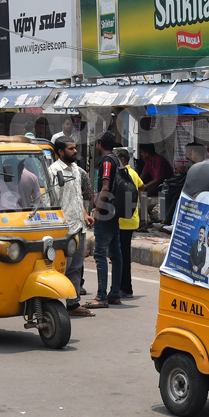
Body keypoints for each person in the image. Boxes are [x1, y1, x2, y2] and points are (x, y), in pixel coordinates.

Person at [48, 136, 94, 317]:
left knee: (76, 266)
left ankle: (73, 303)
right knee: (61, 267)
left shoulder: (76, 170)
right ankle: (52, 304)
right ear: (60, 152)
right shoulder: (54, 171)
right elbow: (52, 201)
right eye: (71, 149)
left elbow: (78, 197)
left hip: (79, 226)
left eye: (75, 148)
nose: (75, 151)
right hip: (64, 228)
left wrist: (85, 215)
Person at [88, 131, 123, 308]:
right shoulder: (117, 159)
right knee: (116, 254)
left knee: (100, 253)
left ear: (100, 144)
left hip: (106, 212)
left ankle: (101, 296)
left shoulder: (107, 161)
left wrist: (97, 210)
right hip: (115, 212)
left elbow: (106, 186)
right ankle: (114, 293)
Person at [116, 147, 143, 299]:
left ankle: (125, 288)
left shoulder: (121, 174)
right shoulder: (133, 173)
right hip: (132, 220)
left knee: (122, 256)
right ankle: (123, 286)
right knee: (123, 255)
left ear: (122, 160)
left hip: (122, 222)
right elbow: (141, 187)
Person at [138, 143, 173, 228]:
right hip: (156, 183)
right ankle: (143, 217)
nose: (141, 154)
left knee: (144, 191)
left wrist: (145, 186)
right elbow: (143, 174)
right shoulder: (148, 161)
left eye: (142, 152)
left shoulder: (159, 160)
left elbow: (158, 179)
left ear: (147, 153)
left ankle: (144, 219)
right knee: (140, 189)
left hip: (165, 185)